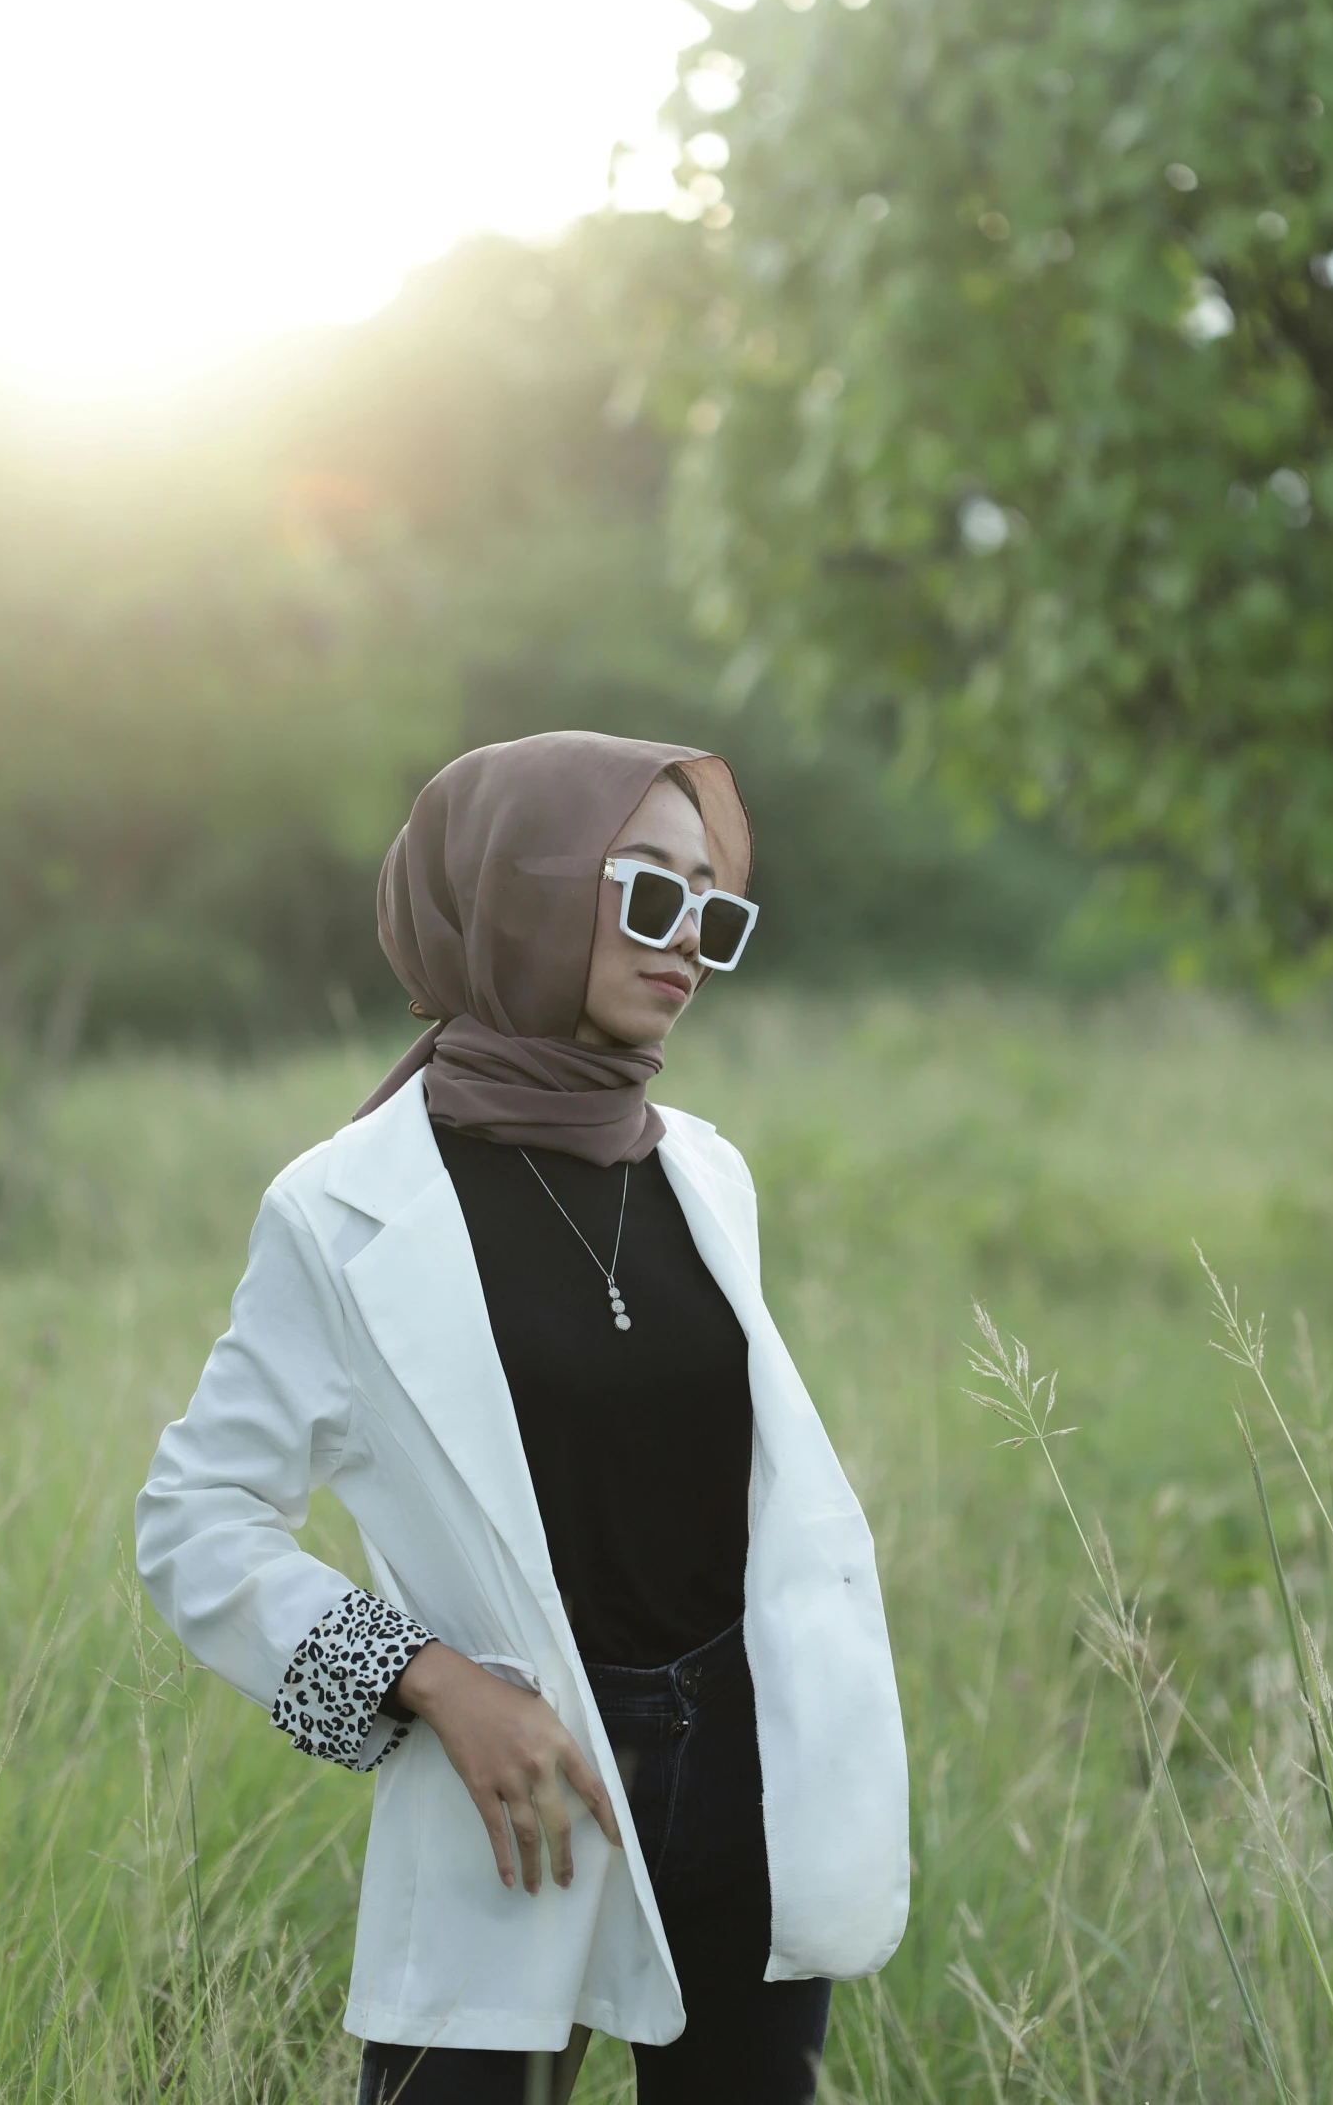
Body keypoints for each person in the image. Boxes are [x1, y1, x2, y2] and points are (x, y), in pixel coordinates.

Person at [135, 730, 909, 2105]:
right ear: (520, 892)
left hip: (744, 1766)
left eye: (713, 910)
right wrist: (429, 1679)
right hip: (520, 1788)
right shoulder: (341, 1207)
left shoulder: (706, 1174)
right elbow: (192, 1519)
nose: (688, 943)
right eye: (650, 892)